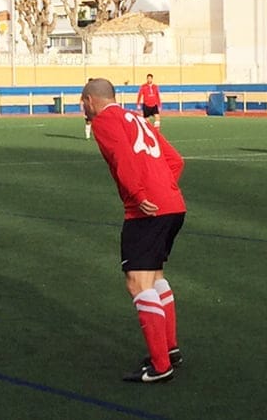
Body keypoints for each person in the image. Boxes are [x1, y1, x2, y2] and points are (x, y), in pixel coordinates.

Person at [81, 78, 186, 384]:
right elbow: (175, 160)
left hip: (146, 209)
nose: (82, 108)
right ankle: (170, 350)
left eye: (82, 102)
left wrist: (140, 195)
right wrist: (163, 188)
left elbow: (122, 158)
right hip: (172, 205)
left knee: (137, 283)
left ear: (90, 100)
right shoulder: (135, 117)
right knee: (154, 277)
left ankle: (160, 365)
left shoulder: (104, 121)